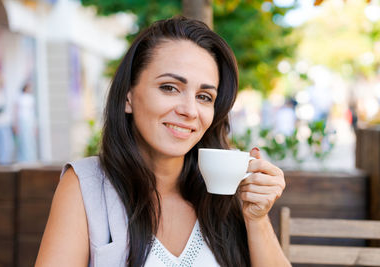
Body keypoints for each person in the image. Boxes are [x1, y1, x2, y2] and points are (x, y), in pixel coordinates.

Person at [36, 17, 290, 267]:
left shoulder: (226, 191)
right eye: (169, 87)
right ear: (128, 96)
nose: (190, 110)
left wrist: (256, 219)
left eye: (204, 96)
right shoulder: (87, 186)